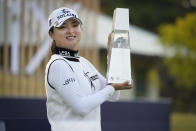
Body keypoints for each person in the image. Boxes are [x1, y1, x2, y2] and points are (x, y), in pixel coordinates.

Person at [45, 7, 133, 131]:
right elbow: (81, 107)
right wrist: (112, 87)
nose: (70, 31)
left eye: (75, 25)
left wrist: (112, 57)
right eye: (62, 27)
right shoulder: (58, 64)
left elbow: (113, 96)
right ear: (51, 34)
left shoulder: (84, 62)